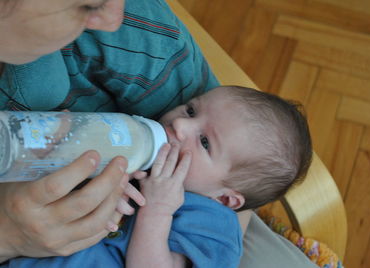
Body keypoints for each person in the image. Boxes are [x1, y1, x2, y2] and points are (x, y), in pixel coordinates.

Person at [0, 0, 218, 262]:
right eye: (87, 5)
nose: (111, 19)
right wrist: (8, 237)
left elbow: (251, 170)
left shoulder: (133, 34)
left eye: (205, 142)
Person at [0, 85, 312, 267]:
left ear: (226, 199)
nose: (181, 125)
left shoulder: (214, 226)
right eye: (191, 110)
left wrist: (158, 211)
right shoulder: (139, 156)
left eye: (205, 142)